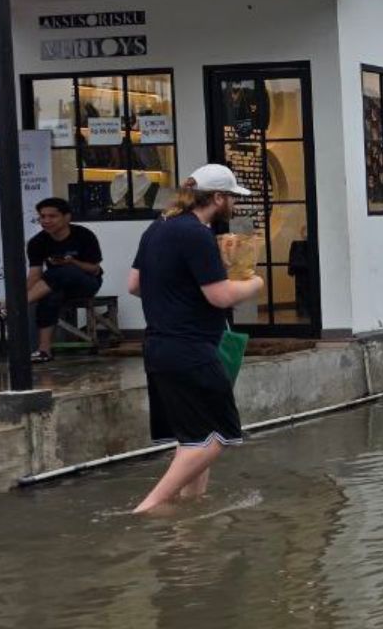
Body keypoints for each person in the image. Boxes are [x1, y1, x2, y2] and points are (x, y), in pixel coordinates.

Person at [127, 164, 262, 514]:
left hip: (158, 347)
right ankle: (150, 507)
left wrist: (181, 291)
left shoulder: (158, 227)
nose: (233, 204)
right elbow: (220, 296)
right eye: (231, 197)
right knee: (218, 435)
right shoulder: (197, 234)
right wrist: (254, 284)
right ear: (217, 198)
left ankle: (190, 513)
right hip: (192, 349)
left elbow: (135, 285)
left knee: (192, 438)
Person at [24, 197, 104, 362]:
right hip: (56, 285)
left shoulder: (84, 235)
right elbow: (34, 275)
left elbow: (94, 269)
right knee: (50, 295)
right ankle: (44, 350)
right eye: (42, 217)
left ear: (67, 217)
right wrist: (22, 292)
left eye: (52, 216)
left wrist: (72, 262)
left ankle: (17, 305)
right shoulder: (37, 242)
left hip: (86, 282)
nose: (46, 221)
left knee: (65, 271)